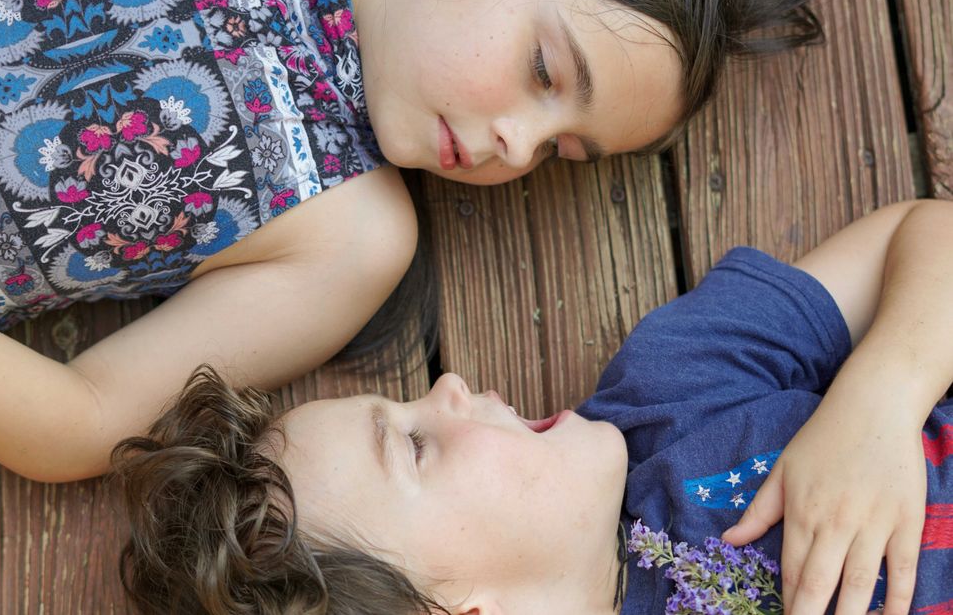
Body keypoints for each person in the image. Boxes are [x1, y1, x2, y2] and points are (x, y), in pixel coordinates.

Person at [0, 0, 823, 482]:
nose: (517, 145)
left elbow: (84, 418)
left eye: (564, 150)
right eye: (542, 68)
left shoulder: (349, 236)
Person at [113, 199, 952, 615]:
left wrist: (879, 399)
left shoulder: (673, 391)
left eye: (403, 401)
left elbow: (932, 233)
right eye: (414, 445)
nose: (446, 388)